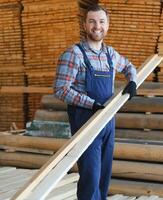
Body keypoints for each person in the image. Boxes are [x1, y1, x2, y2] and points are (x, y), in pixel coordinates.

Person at [54, 4, 137, 200]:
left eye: (101, 21)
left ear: (107, 25)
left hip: (107, 121)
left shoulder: (110, 54)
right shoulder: (74, 54)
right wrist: (90, 103)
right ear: (85, 25)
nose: (96, 26)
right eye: (92, 21)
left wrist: (132, 81)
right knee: (90, 178)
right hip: (86, 122)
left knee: (103, 177)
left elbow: (129, 66)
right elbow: (60, 89)